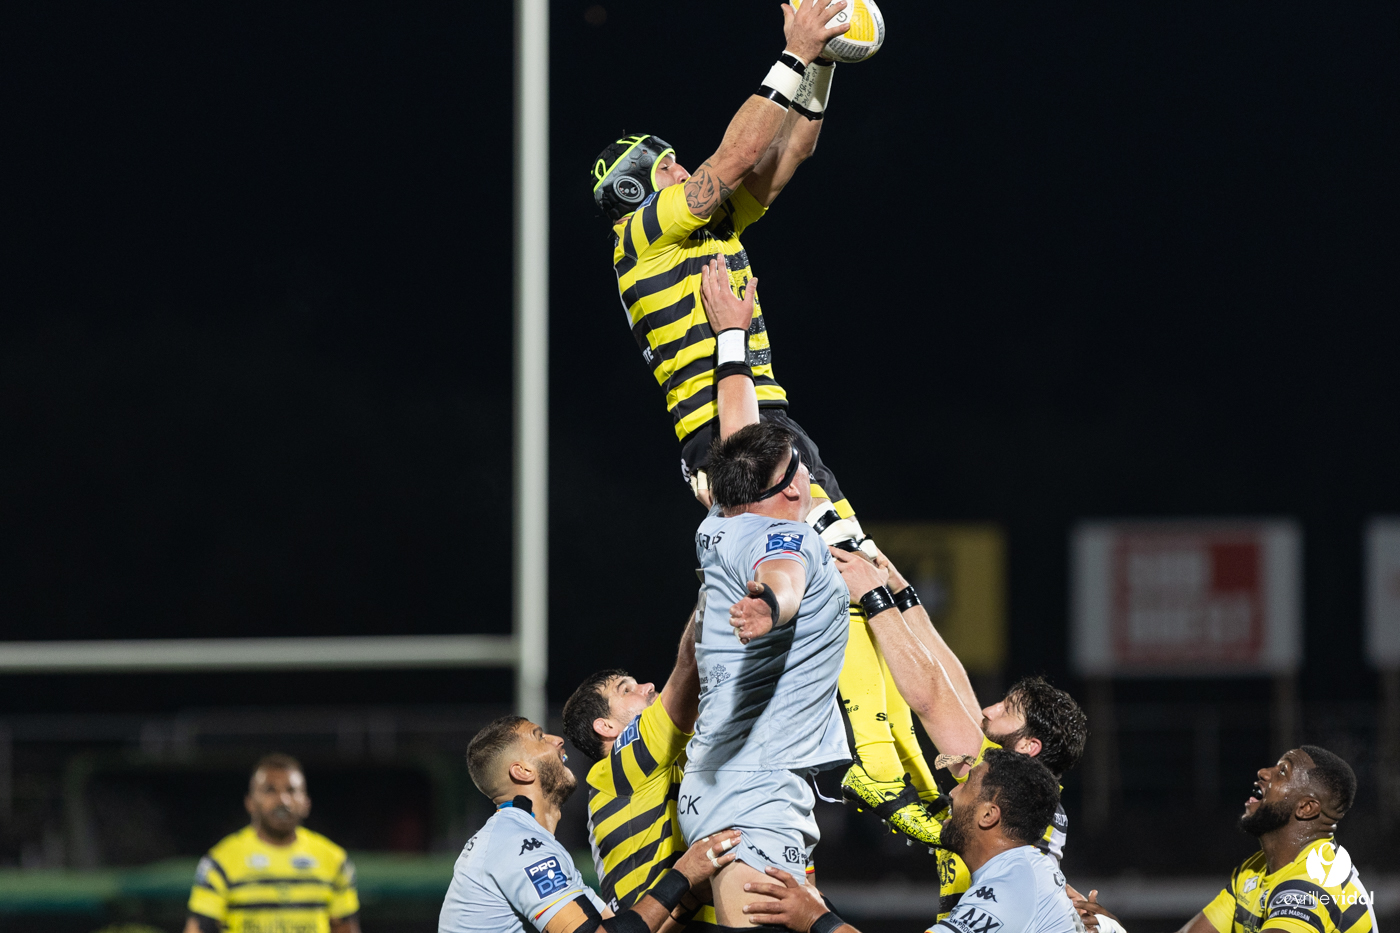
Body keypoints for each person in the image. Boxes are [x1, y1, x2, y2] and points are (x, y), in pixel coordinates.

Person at [674, 416, 854, 929]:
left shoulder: (716, 526)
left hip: (727, 780)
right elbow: (782, 573)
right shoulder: (788, 538)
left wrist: (733, 340)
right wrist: (770, 605)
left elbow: (737, 437)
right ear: (795, 487)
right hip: (757, 798)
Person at [439, 715, 740, 933]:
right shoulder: (517, 844)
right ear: (521, 771)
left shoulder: (523, 839)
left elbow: (623, 929)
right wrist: (682, 874)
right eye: (539, 736)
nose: (558, 740)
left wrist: (687, 900)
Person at [741, 750, 1083, 933]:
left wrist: (817, 919)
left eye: (968, 785)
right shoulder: (1023, 873)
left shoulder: (1011, 884)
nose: (952, 792)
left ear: (989, 815)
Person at [1077, 746, 1376, 933]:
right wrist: (1112, 927)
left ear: (1307, 807)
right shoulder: (1256, 869)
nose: (1263, 772)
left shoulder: (1312, 885)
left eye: (1282, 772)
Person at [562, 610, 717, 926]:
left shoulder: (648, 769)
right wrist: (715, 587)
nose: (647, 686)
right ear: (605, 726)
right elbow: (689, 666)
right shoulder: (621, 763)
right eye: (626, 689)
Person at [185, 754, 360, 933]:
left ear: (306, 803)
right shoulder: (220, 862)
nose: (282, 800)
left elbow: (345, 928)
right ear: (250, 802)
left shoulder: (334, 860)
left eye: (291, 791)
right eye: (270, 790)